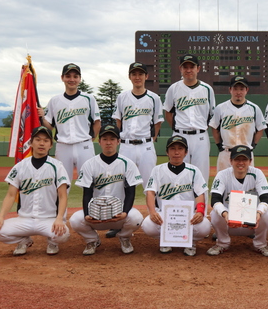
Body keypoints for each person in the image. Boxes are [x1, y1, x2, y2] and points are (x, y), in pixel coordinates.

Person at [0, 126, 70, 256]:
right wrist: (1, 216)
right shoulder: (20, 166)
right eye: (38, 139)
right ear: (31, 142)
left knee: (63, 234)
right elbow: (11, 195)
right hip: (25, 219)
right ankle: (24, 241)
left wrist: (59, 218)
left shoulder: (57, 166)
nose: (42, 143)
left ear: (51, 145)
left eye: (46, 140)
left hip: (49, 219)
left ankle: (52, 242)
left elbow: (62, 196)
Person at [106, 62, 163, 239]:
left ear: (146, 76)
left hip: (146, 145)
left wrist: (152, 139)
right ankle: (118, 222)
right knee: (121, 184)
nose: (137, 77)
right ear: (130, 76)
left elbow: (158, 122)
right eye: (134, 74)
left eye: (141, 74)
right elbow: (118, 121)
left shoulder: (154, 98)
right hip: (126, 145)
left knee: (152, 185)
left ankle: (158, 222)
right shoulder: (122, 97)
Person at [69, 124, 144, 255]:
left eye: (112, 139)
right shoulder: (89, 164)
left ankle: (124, 237)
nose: (108, 142)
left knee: (136, 217)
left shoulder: (127, 164)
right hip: (96, 214)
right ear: (99, 142)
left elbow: (131, 192)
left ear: (118, 142)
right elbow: (87, 193)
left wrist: (125, 212)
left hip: (119, 214)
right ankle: (92, 240)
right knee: (75, 220)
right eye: (105, 139)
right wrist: (87, 214)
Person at [141, 135, 211, 256]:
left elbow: (200, 193)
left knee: (205, 227)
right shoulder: (157, 170)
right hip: (165, 215)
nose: (176, 152)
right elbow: (150, 192)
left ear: (186, 152)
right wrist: (152, 212)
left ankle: (191, 242)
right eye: (172, 148)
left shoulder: (194, 170)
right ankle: (165, 240)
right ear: (167, 152)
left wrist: (199, 211)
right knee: (147, 224)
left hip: (189, 216)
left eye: (180, 148)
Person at [207, 145, 268, 257]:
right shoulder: (222, 175)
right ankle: (222, 243)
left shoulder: (257, 173)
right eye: (237, 159)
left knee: (267, 214)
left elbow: (265, 199)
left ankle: (260, 244)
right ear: (231, 161)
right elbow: (214, 199)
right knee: (215, 213)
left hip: (252, 223)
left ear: (250, 161)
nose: (241, 163)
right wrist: (225, 214)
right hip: (228, 222)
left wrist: (258, 213)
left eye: (244, 159)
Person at [38, 63, 101, 180]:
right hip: (63, 146)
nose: (72, 79)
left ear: (79, 79)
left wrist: (89, 140)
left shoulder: (89, 98)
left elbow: (97, 122)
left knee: (88, 182)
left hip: (84, 145)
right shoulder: (55, 100)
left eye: (75, 76)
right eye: (68, 76)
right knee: (62, 183)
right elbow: (49, 127)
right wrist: (42, 117)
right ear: (62, 78)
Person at [163, 54, 215, 183]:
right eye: (185, 67)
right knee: (178, 174)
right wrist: (176, 128)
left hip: (200, 136)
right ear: (180, 69)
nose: (188, 70)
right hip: (180, 135)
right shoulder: (173, 88)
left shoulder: (207, 89)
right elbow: (168, 112)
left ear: (198, 68)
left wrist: (202, 127)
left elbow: (211, 114)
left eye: (191, 67)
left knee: (201, 175)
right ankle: (179, 203)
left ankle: (200, 203)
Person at [209, 76, 266, 172]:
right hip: (226, 153)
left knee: (247, 183)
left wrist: (253, 144)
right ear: (230, 90)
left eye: (241, 89)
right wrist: (219, 145)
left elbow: (260, 128)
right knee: (223, 183)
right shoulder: (221, 108)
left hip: (246, 153)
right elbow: (214, 127)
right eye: (235, 89)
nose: (238, 92)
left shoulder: (254, 108)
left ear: (246, 90)